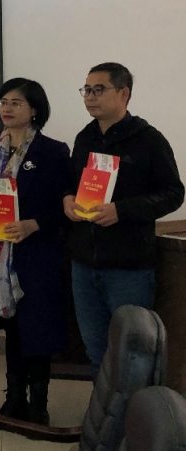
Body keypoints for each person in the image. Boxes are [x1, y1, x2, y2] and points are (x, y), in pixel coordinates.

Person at [62, 62, 183, 375]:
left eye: (98, 89)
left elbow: (173, 193)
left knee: (133, 352)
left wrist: (122, 210)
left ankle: (133, 408)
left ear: (124, 93)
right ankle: (105, 406)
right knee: (95, 348)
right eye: (86, 90)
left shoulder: (148, 139)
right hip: (84, 263)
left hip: (128, 268)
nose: (90, 97)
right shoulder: (85, 137)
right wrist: (67, 199)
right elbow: (71, 183)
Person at [0, 78, 70, 424]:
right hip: (0, 251)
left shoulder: (53, 150)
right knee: (11, 327)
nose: (7, 108)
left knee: (36, 326)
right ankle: (13, 397)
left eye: (16, 102)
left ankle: (38, 403)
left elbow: (64, 204)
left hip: (36, 252)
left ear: (35, 110)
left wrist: (33, 224)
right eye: (3, 102)